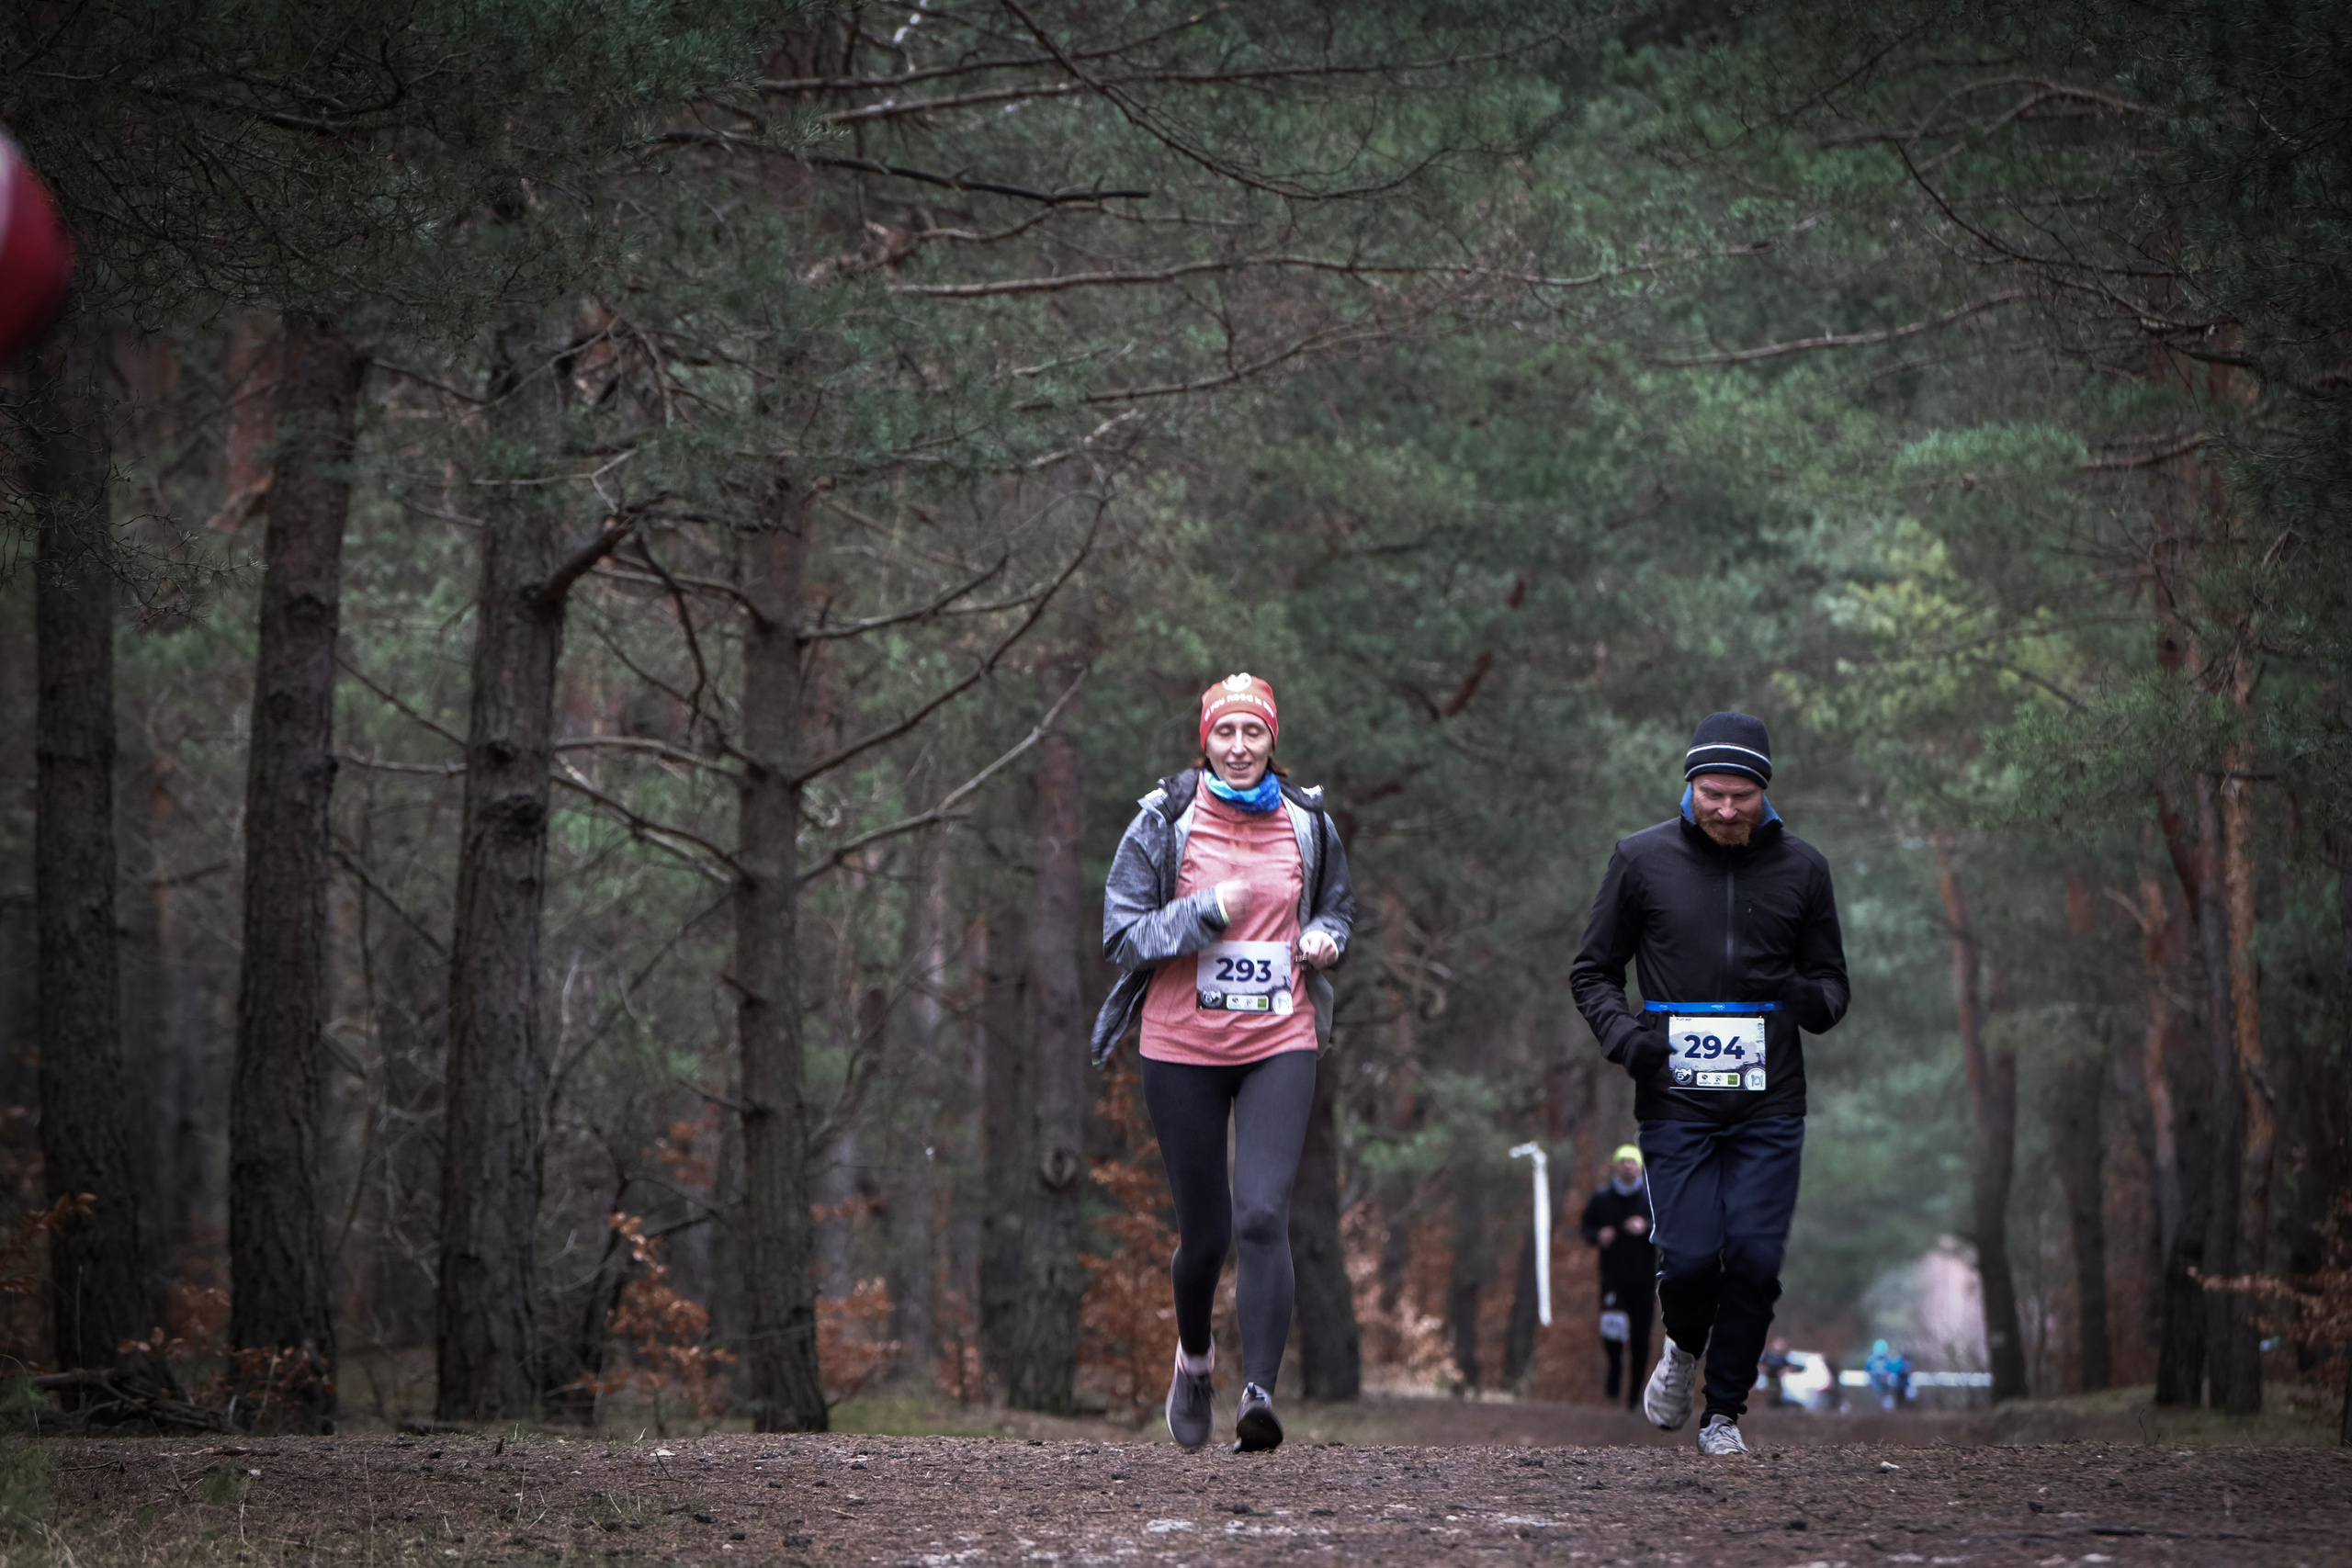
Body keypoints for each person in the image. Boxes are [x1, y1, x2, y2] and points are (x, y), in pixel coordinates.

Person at [1570, 711, 1849, 1456]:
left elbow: (1832, 991)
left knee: (1756, 1257)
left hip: (1770, 1100)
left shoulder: (1804, 869)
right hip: (1676, 1096)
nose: (1725, 809)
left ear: (1765, 792)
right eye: (1711, 793)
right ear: (1689, 784)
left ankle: (1723, 1411)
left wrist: (1798, 994)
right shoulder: (1641, 859)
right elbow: (1592, 970)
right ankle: (1684, 1349)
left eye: (1741, 796)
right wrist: (1626, 1039)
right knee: (1692, 1257)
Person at [1091, 673, 1354, 1454]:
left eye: (1254, 733)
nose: (1239, 747)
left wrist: (1326, 938)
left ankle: (1259, 1395)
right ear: (1203, 740)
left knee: (1263, 1215)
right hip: (1182, 1046)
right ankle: (1195, 1360)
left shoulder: (1309, 821)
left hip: (1281, 1038)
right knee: (1205, 1235)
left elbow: (1338, 905)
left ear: (1274, 739)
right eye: (1225, 733)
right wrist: (1204, 912)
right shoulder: (1163, 820)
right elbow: (1120, 935)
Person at [1578, 1144, 1656, 1410]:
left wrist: (1645, 1227)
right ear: (1616, 1165)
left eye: (1631, 1161)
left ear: (1639, 1166)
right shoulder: (1602, 1198)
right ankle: (1614, 1368)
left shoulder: (1650, 1199)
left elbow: (1667, 1228)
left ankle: (1634, 1395)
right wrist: (1598, 1235)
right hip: (1613, 1278)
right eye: (1622, 1161)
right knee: (1611, 1331)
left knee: (1640, 1339)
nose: (1627, 1166)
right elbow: (1586, 1228)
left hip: (1644, 1280)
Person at [1759, 1337, 1798, 1407]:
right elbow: (1762, 1364)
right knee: (1768, 1391)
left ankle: (1776, 1405)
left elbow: (1789, 1366)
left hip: (1778, 1378)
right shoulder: (1768, 1355)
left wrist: (1784, 1371)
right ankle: (1768, 1404)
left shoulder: (1782, 1357)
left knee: (1776, 1391)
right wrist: (1764, 1369)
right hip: (1768, 1377)